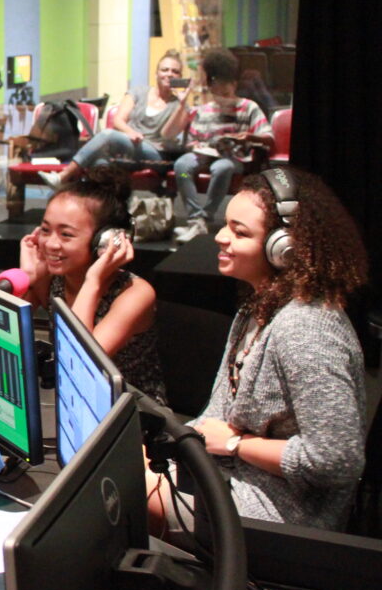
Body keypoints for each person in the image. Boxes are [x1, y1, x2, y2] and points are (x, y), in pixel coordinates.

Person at [147, 168, 368, 533]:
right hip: (233, 474)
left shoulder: (306, 328)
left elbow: (337, 460)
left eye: (240, 232)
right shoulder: (256, 308)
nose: (221, 237)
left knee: (123, 487)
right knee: (123, 460)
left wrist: (237, 444)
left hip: (286, 512)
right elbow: (218, 415)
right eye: (225, 225)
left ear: (284, 248)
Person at [19, 167, 166, 404]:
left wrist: (93, 281)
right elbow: (3, 337)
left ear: (105, 240)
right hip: (76, 405)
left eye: (66, 235)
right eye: (45, 230)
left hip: (133, 414)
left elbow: (79, 364)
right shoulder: (54, 279)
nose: (51, 244)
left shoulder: (135, 294)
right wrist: (29, 276)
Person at [162, 48, 275, 243]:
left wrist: (248, 137)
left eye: (226, 91)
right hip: (203, 155)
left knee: (222, 168)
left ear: (234, 85)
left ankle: (206, 217)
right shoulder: (203, 110)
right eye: (217, 91)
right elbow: (189, 139)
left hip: (233, 157)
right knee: (182, 167)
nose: (222, 96)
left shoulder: (248, 107)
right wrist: (198, 147)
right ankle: (195, 218)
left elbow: (268, 138)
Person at [40, 50, 188, 188]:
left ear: (180, 77)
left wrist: (181, 104)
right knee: (100, 163)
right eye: (165, 70)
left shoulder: (180, 106)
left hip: (156, 154)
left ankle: (63, 176)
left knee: (107, 134)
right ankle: (107, 204)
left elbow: (168, 135)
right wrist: (130, 132)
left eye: (175, 71)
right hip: (130, 148)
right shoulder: (138, 92)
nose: (169, 74)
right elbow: (118, 121)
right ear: (156, 73)